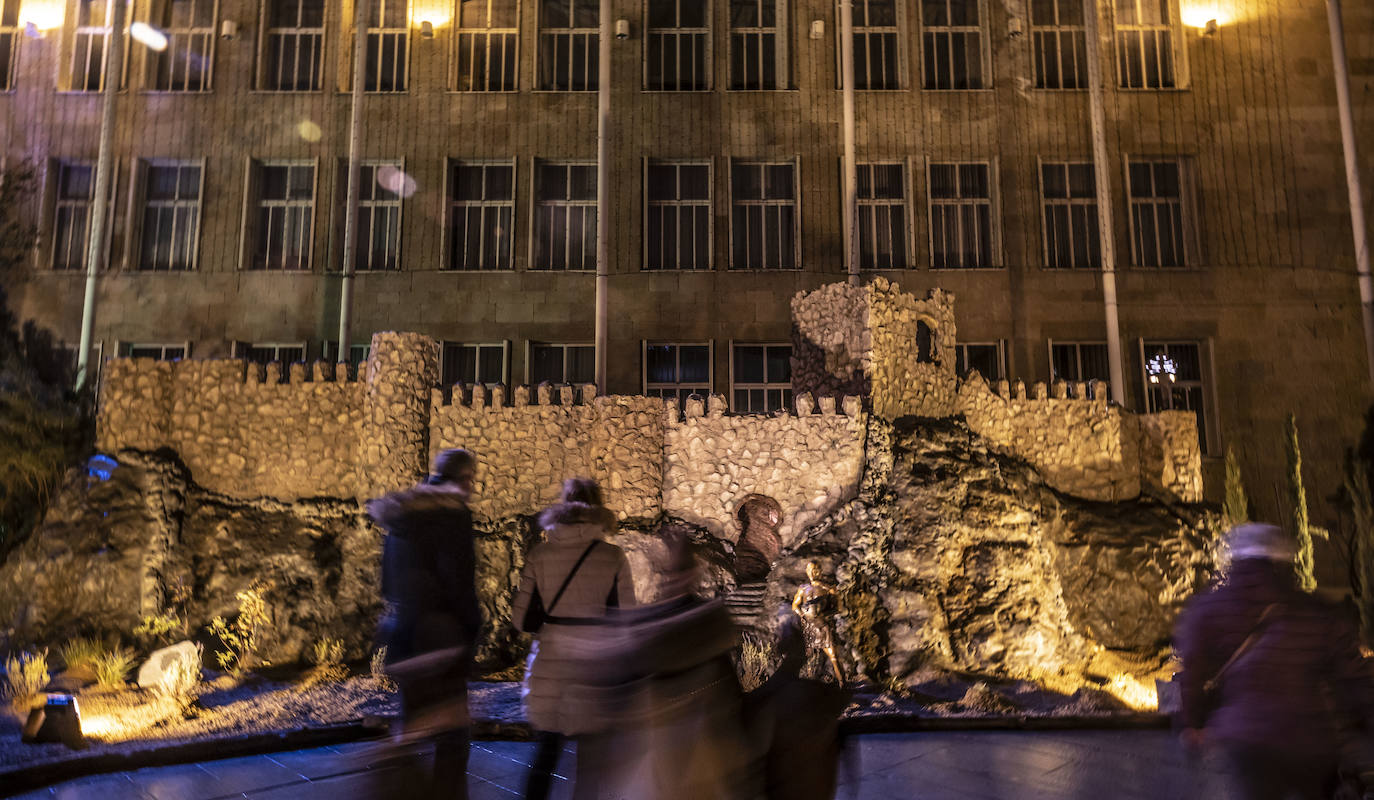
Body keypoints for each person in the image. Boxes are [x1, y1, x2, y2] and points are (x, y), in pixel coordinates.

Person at [1174, 521, 1374, 800]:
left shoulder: (1207, 609)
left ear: (1236, 558)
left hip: (1248, 739)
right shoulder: (1314, 608)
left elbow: (1192, 672)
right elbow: (1353, 676)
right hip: (1312, 739)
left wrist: (1193, 722)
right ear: (1282, 560)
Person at [367, 448, 483, 800]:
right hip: (441, 643)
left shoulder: (403, 515)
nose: (473, 488)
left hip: (404, 640)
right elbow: (459, 583)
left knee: (415, 730)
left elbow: (388, 584)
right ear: (462, 479)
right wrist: (470, 634)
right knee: (453, 741)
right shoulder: (451, 516)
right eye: (471, 480)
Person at [512, 477, 635, 800]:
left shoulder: (540, 555)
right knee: (592, 764)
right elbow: (625, 620)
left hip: (550, 666)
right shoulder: (613, 557)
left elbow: (521, 619)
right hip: (594, 669)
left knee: (545, 755)